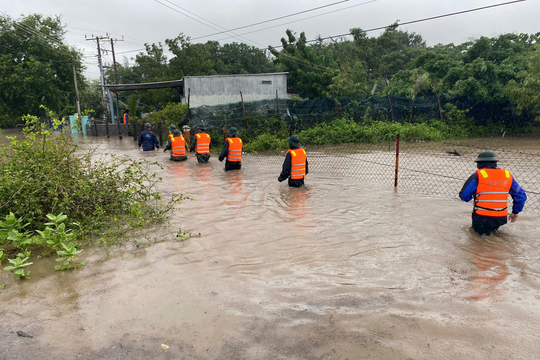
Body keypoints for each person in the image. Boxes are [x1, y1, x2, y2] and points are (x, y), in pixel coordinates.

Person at [459, 150, 527, 236]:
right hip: (501, 217)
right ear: (495, 163)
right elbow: (521, 196)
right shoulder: (507, 175)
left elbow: (464, 196)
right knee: (494, 238)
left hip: (482, 217)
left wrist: (475, 194)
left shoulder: (478, 175)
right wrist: (515, 212)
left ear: (479, 164)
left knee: (479, 241)